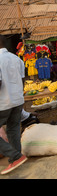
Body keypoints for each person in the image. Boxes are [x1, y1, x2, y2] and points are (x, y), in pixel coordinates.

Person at [0, 35, 28, 174]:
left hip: (3, 103)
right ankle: (16, 160)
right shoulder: (16, 59)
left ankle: (15, 156)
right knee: (13, 129)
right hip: (17, 100)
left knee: (13, 129)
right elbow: (22, 80)